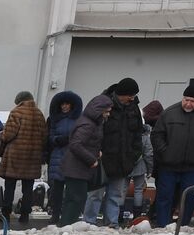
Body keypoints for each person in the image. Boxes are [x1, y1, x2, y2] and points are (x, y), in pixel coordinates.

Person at [150, 84, 194, 228]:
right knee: (164, 196)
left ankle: (184, 225)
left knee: (189, 198)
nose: (188, 103)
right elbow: (157, 135)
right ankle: (163, 225)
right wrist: (165, 152)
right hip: (168, 164)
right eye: (186, 99)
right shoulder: (170, 112)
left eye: (193, 101)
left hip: (193, 165)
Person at [83, 78, 143, 226]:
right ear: (121, 93)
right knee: (95, 194)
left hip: (124, 160)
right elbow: (91, 130)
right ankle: (89, 223)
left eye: (133, 96)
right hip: (102, 159)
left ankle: (111, 224)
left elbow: (137, 135)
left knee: (116, 195)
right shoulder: (102, 104)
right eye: (130, 95)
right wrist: (95, 153)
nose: (132, 98)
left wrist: (134, 155)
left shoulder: (134, 108)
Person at [59, 94, 113, 226]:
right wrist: (91, 159)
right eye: (107, 112)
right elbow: (76, 144)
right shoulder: (88, 124)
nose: (108, 115)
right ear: (99, 110)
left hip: (77, 168)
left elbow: (86, 142)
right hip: (77, 168)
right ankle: (67, 227)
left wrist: (96, 152)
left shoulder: (91, 122)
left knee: (74, 199)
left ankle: (66, 226)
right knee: (76, 199)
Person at [0, 91, 47, 227]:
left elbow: (8, 135)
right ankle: (24, 215)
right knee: (28, 189)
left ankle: (5, 214)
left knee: (10, 187)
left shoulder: (16, 112)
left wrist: (2, 134)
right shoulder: (39, 113)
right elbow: (44, 136)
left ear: (19, 101)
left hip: (16, 155)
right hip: (32, 156)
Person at [45, 91, 83, 222]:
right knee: (57, 188)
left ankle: (69, 215)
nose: (64, 106)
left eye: (67, 104)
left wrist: (71, 139)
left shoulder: (78, 119)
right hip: (58, 155)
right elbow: (50, 136)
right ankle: (55, 214)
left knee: (72, 189)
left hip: (73, 154)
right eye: (62, 104)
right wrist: (57, 140)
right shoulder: (55, 119)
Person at [128, 101, 157, 219]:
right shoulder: (145, 136)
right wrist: (150, 170)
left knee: (122, 189)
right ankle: (137, 215)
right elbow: (149, 154)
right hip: (140, 166)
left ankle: (119, 215)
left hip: (125, 165)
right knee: (138, 190)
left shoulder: (126, 133)